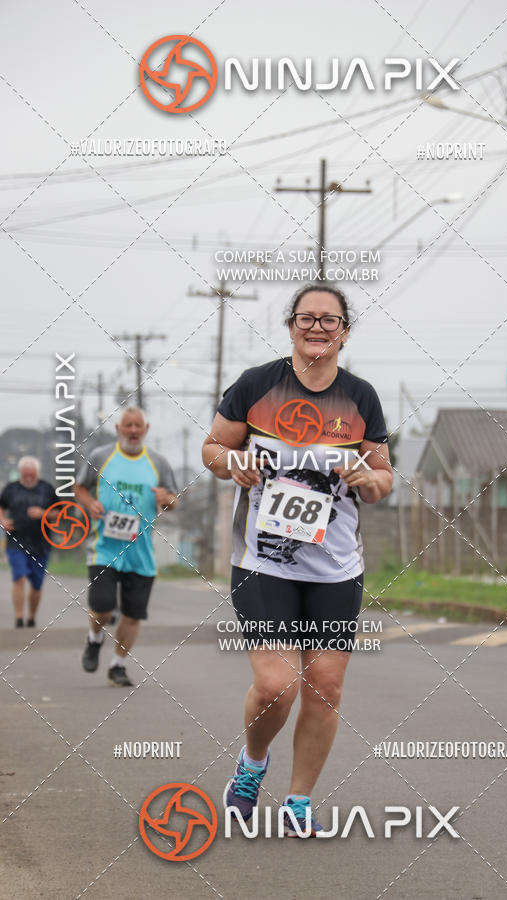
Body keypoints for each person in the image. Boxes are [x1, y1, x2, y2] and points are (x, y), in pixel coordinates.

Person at [202, 284, 393, 837]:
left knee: (326, 685)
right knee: (277, 686)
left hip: (335, 568)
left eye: (329, 320)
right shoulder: (257, 385)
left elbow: (383, 478)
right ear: (290, 327)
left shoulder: (361, 399)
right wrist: (232, 460)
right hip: (263, 563)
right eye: (306, 318)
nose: (317, 327)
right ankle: (251, 765)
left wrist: (367, 477)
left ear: (344, 332)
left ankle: (299, 800)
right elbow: (213, 449)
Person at [75, 407, 178, 687]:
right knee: (103, 609)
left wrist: (165, 498)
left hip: (140, 553)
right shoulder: (100, 456)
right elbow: (80, 488)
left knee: (133, 616)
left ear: (146, 429)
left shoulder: (158, 462)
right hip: (105, 548)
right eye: (127, 425)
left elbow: (173, 501)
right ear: (119, 429)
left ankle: (117, 665)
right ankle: (95, 638)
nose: (133, 430)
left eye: (138, 426)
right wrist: (90, 503)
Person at [0, 456, 59, 628]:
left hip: (41, 543)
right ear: (20, 473)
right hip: (16, 541)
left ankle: (31, 616)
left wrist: (44, 513)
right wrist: (3, 520)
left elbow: (59, 513)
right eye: (25, 474)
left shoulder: (47, 489)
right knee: (19, 577)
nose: (28, 477)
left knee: (36, 583)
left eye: (31, 474)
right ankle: (19, 618)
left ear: (37, 474)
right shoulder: (10, 489)